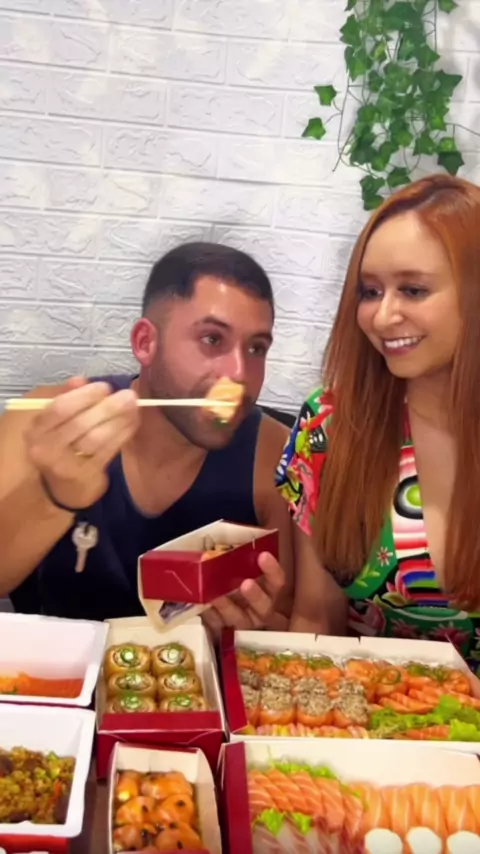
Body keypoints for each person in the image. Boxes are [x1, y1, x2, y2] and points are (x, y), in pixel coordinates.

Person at [0, 242, 293, 630]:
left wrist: (256, 627)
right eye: (212, 339)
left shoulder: (277, 457)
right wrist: (55, 495)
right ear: (145, 342)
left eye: (256, 348)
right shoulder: (47, 420)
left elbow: (292, 620)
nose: (239, 373)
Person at [276, 173, 480, 670]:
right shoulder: (328, 426)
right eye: (370, 291)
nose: (383, 316)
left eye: (413, 289)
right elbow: (316, 619)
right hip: (365, 710)